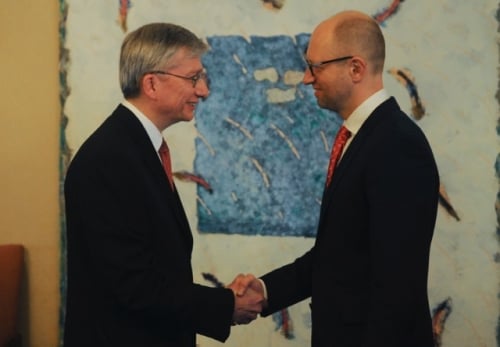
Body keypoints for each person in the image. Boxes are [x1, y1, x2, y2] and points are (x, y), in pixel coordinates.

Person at [238, 10, 440, 347]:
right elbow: (339, 256)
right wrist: (265, 290)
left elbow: (397, 287)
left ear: (356, 68)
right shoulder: (364, 137)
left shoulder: (397, 145)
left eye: (316, 67)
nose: (306, 78)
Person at [63, 23, 263, 347]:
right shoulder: (108, 160)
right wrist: (225, 306)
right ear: (152, 84)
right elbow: (132, 286)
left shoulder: (134, 148)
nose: (203, 91)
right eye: (193, 78)